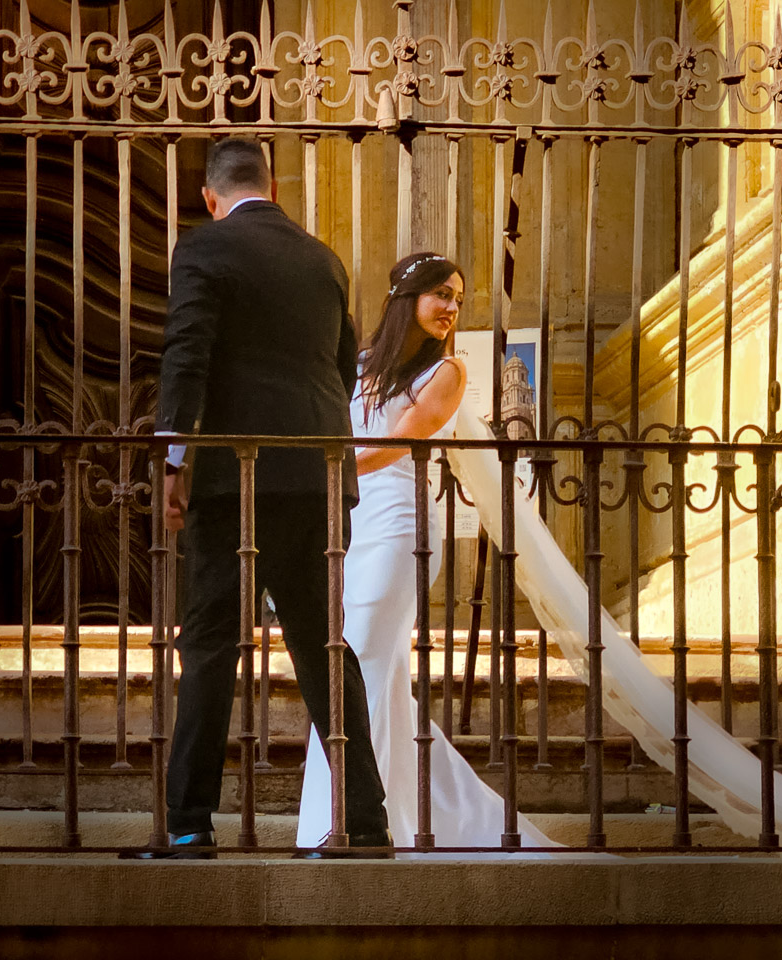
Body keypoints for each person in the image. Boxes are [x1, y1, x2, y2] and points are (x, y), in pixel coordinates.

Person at [153, 138, 389, 858]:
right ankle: (366, 821)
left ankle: (191, 823)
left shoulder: (203, 250)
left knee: (211, 644)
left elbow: (187, 352)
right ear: (275, 186)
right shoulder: (323, 259)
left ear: (209, 197)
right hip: (318, 474)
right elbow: (344, 363)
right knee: (324, 646)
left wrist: (173, 457)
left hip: (234, 478)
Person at [296, 252, 556, 854]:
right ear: (405, 295)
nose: (450, 309)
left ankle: (331, 823)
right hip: (353, 530)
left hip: (401, 530)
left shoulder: (447, 374)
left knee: (352, 663)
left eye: (458, 300)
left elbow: (394, 443)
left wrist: (323, 470)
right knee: (376, 683)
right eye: (441, 294)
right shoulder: (357, 365)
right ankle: (420, 816)